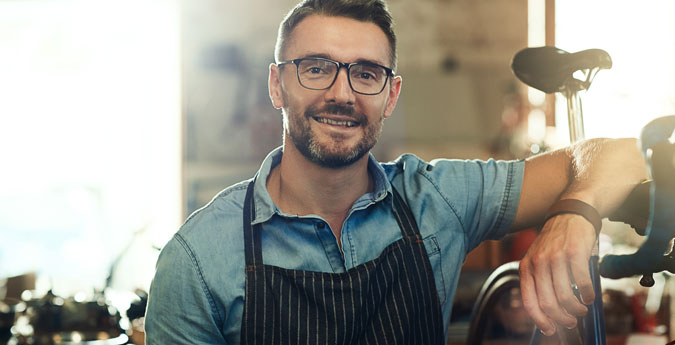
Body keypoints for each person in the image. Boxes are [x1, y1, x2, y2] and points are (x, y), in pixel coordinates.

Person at [144, 0, 648, 344]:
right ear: (278, 86)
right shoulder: (197, 260)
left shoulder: (436, 199)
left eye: (366, 73)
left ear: (391, 95)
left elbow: (623, 153)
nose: (342, 94)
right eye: (316, 67)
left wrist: (573, 216)